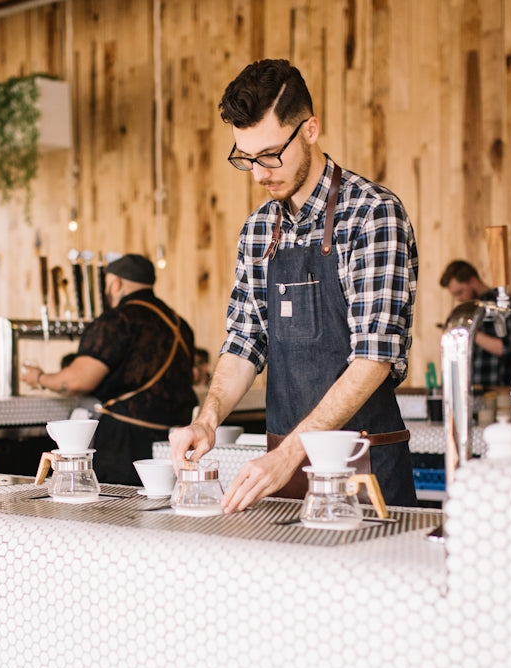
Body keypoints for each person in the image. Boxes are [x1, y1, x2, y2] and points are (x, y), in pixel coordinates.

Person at [170, 59, 419, 511]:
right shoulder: (259, 229)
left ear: (310, 130)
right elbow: (245, 341)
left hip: (363, 472)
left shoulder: (372, 214)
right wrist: (206, 420)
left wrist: (290, 453)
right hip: (282, 472)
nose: (260, 173)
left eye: (269, 154)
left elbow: (374, 359)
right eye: (246, 159)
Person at [21, 253, 197, 485]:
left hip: (125, 444)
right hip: (173, 443)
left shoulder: (119, 320)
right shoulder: (179, 324)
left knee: (118, 513)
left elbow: (76, 381)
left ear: (116, 283)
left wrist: (39, 378)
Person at [439, 259, 511, 389]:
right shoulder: (469, 309)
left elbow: (508, 349)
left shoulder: (500, 305)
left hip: (496, 389)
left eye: (460, 292)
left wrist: (468, 331)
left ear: (473, 281)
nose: (458, 299)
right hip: (469, 389)